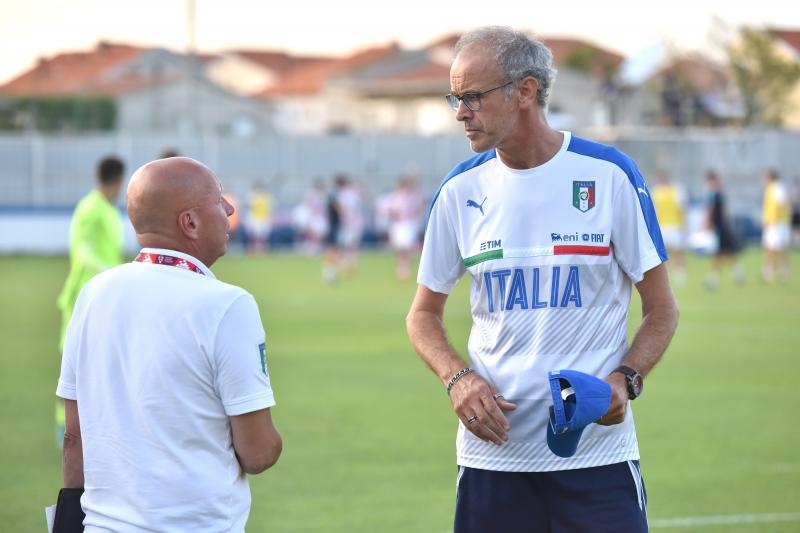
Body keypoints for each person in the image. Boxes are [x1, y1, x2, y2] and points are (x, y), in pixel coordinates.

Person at [406, 27, 678, 533]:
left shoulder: (610, 176)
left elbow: (662, 309)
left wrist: (627, 379)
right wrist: (457, 378)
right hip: (495, 463)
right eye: (455, 98)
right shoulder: (459, 190)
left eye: (472, 97)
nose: (460, 112)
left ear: (525, 91)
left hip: (598, 460)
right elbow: (422, 315)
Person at [56, 157, 282, 531]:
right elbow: (258, 453)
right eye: (218, 199)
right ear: (189, 222)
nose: (228, 210)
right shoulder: (227, 305)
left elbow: (73, 438)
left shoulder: (93, 293)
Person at [55, 155, 125, 447]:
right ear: (119, 181)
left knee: (104, 364)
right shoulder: (90, 208)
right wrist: (112, 271)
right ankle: (66, 430)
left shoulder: (108, 210)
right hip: (85, 296)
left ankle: (100, 426)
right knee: (76, 365)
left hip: (106, 296)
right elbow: (83, 251)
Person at [704, 169, 744, 289]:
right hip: (722, 227)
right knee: (725, 252)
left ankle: (713, 280)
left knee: (718, 253)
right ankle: (737, 273)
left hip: (718, 228)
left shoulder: (714, 194)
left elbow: (710, 210)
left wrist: (707, 222)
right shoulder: (720, 193)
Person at [651, 170, 688, 286]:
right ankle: (674, 277)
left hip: (672, 226)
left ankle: (678, 277)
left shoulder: (673, 191)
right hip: (665, 226)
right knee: (667, 254)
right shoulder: (658, 192)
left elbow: (682, 209)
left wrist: (683, 224)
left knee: (674, 253)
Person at [386, 176, 426, 280]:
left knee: (407, 247)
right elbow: (391, 210)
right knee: (399, 247)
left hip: (409, 224)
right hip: (398, 224)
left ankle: (406, 268)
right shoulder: (395, 196)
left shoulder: (414, 197)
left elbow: (420, 207)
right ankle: (400, 267)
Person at [761, 168, 791, 282]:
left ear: (770, 178)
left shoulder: (777, 188)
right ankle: (771, 271)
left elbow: (781, 203)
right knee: (770, 247)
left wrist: (773, 220)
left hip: (777, 224)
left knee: (778, 248)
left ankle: (781, 271)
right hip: (774, 223)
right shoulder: (770, 189)